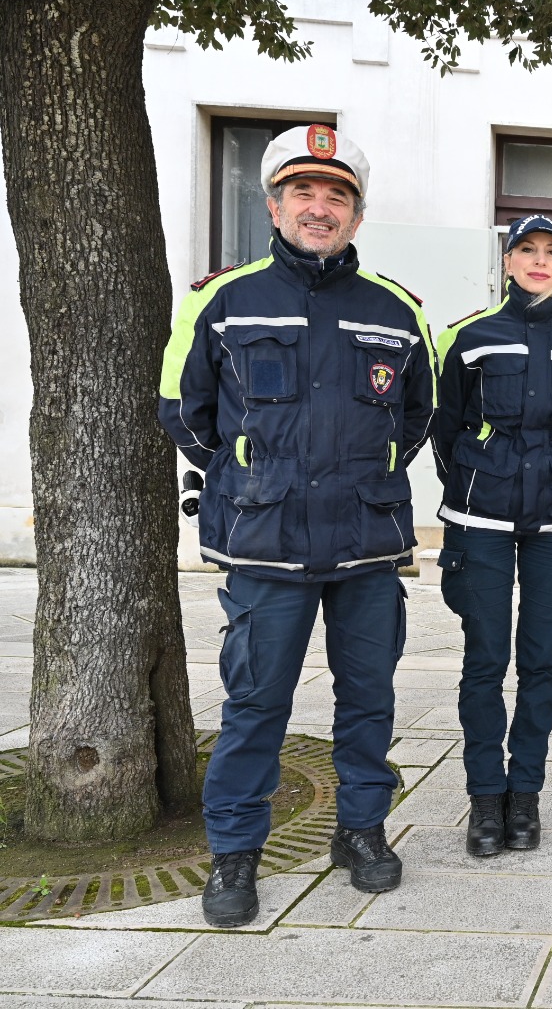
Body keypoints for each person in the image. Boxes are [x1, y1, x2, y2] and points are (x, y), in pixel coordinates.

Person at [158, 125, 434, 926]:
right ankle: (235, 852)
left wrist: (358, 474)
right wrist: (256, 476)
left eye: (337, 196)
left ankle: (361, 830)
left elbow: (415, 418)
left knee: (369, 700)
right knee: (255, 704)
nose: (320, 208)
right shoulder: (221, 300)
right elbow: (184, 412)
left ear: (357, 214)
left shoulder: (396, 310)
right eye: (303, 192)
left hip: (365, 542)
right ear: (274, 205)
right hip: (266, 542)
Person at [431, 214, 552, 857]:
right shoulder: (468, 337)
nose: (539, 261)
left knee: (541, 661)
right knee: (485, 658)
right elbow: (445, 426)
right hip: (480, 519)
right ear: (507, 262)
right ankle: (486, 797)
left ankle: (525, 794)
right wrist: (480, 481)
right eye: (526, 250)